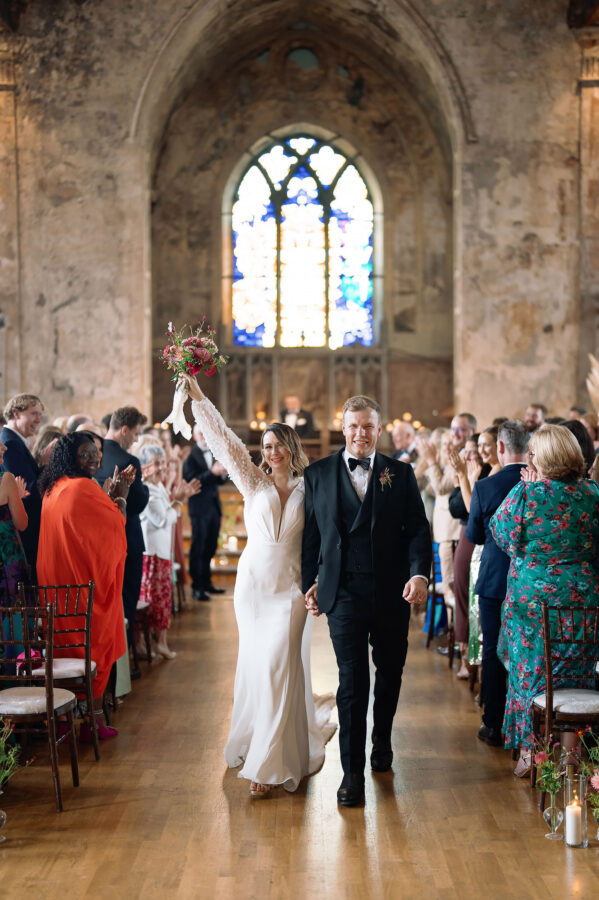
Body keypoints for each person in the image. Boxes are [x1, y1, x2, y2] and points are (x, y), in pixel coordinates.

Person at [181, 372, 336, 797]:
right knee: (256, 668)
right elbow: (223, 439)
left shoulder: (312, 486)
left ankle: (270, 763)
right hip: (252, 589)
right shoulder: (252, 481)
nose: (272, 452)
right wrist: (198, 397)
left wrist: (320, 581)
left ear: (291, 446)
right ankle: (258, 748)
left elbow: (324, 538)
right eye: (266, 447)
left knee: (279, 667)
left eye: (278, 445)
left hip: (291, 589)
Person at [302, 395, 432, 807]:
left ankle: (382, 742)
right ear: (343, 427)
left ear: (379, 429)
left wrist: (417, 573)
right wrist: (311, 582)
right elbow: (311, 537)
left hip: (393, 590)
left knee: (390, 672)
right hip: (343, 593)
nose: (361, 433)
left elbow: (418, 529)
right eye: (354, 425)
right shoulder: (318, 474)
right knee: (352, 681)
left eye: (368, 426)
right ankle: (351, 775)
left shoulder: (401, 473)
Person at [491, 424, 599, 774]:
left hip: (534, 605)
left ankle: (531, 752)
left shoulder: (528, 495)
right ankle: (572, 753)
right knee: (576, 675)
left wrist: (529, 487)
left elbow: (501, 534)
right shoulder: (594, 494)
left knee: (531, 675)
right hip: (584, 603)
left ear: (543, 458)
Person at [37, 432, 132, 738]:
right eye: (85, 454)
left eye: (95, 453)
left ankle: (66, 717)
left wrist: (110, 498)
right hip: (79, 590)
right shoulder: (80, 488)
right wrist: (121, 496)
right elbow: (114, 527)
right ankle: (92, 721)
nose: (94, 459)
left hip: (56, 588)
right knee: (92, 646)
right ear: (70, 458)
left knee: (65, 648)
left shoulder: (55, 487)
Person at [465, 420, 529, 747]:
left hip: (494, 581)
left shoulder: (486, 487)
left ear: (500, 448)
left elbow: (474, 535)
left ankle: (493, 724)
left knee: (492, 651)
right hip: (530, 585)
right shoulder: (537, 484)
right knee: (526, 654)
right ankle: (524, 725)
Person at [136, 443, 200, 659]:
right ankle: (153, 644)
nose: (163, 467)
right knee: (155, 599)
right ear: (145, 466)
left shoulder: (158, 487)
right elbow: (162, 519)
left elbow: (170, 514)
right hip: (152, 553)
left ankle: (157, 643)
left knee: (161, 599)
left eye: (163, 462)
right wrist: (179, 501)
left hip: (161, 551)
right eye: (157, 463)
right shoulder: (148, 489)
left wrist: (179, 500)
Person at [96, 406, 149, 660]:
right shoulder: (129, 461)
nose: (136, 439)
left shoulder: (94, 454)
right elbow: (137, 503)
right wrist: (145, 488)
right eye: (136, 434)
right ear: (125, 430)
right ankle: (125, 661)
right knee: (127, 598)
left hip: (100, 540)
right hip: (127, 536)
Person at [1, 393, 46, 579]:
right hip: (18, 533)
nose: (38, 420)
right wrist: (47, 465)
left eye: (40, 415)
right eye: (33, 413)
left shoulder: (15, 440)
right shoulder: (10, 442)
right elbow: (30, 489)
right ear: (16, 413)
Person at [183, 424, 228, 601]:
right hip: (199, 507)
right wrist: (212, 472)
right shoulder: (191, 456)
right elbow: (192, 481)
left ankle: (207, 583)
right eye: (201, 433)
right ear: (195, 436)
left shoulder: (215, 452)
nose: (204, 436)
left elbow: (218, 481)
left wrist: (222, 473)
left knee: (210, 546)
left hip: (214, 506)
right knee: (199, 547)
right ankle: (197, 586)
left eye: (206, 433)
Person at [0, 437, 29, 605]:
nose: (4, 447)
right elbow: (22, 524)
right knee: (12, 622)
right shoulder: (6, 479)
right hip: (6, 564)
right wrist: (17, 497)